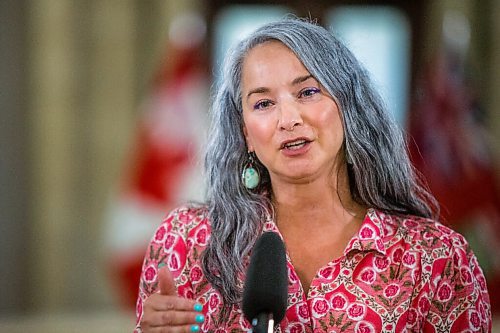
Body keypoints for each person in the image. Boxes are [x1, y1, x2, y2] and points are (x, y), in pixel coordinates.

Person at [134, 18, 491, 332]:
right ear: (246, 134)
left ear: (349, 107)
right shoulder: (186, 242)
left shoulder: (435, 257)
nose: (288, 119)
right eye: (263, 103)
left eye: (307, 92)